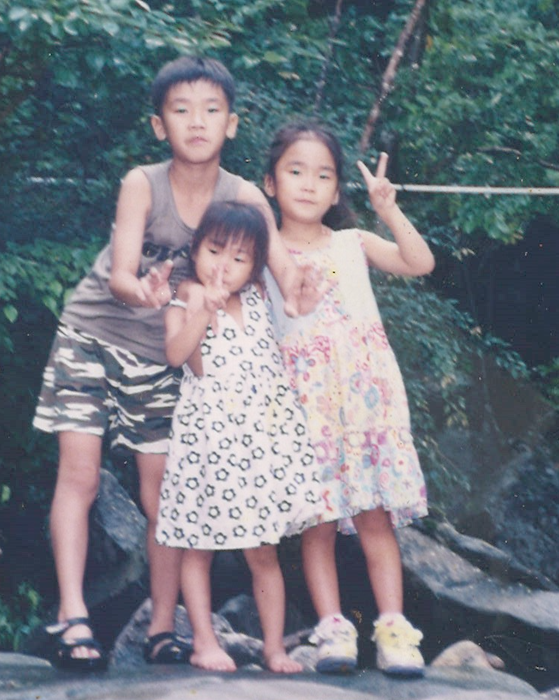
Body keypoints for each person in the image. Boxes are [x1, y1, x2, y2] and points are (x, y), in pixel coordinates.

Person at [33, 58, 318, 671]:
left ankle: (162, 626)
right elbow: (120, 275)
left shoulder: (243, 196)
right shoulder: (143, 183)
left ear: (232, 124)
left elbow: (281, 269)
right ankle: (73, 614)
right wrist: (145, 290)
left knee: (163, 493)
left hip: (171, 352)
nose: (197, 122)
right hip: (93, 333)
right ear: (159, 125)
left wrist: (303, 287)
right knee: (80, 475)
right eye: (181, 110)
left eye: (211, 110)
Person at [263, 121, 435, 677]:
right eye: (295, 171)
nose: (308, 184)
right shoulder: (264, 254)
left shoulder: (350, 244)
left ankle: (393, 630)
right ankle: (333, 629)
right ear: (270, 183)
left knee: (374, 518)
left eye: (322, 175)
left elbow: (420, 262)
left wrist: (389, 210)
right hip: (305, 408)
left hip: (366, 406)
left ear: (337, 190)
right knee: (318, 522)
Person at [155, 201, 321, 673]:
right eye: (214, 251)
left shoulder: (258, 295)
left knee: (263, 550)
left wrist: (307, 290)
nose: (223, 265)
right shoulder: (184, 298)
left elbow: (297, 303)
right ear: (195, 249)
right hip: (211, 441)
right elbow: (178, 357)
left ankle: (274, 648)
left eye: (240, 257)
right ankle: (204, 642)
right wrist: (202, 311)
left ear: (255, 266)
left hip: (261, 441)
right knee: (198, 544)